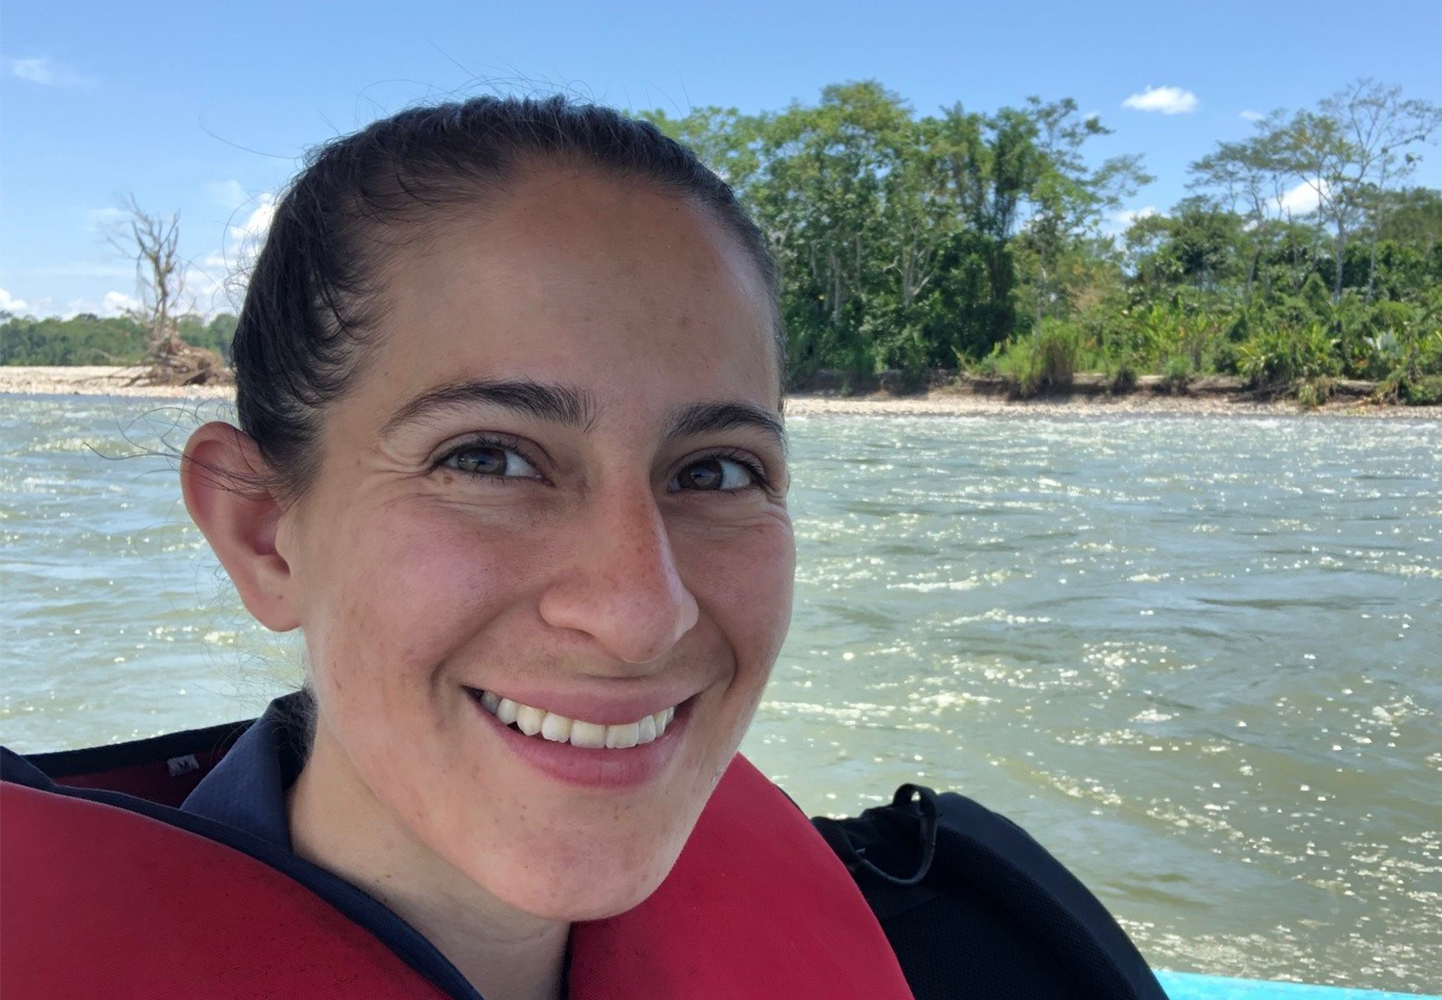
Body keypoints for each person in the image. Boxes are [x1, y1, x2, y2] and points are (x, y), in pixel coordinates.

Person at [1, 96, 1165, 1000]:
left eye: (713, 472)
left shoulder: (948, 931)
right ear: (263, 534)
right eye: (490, 458)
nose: (639, 608)